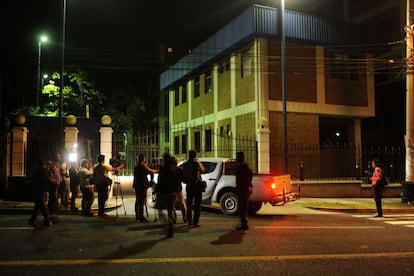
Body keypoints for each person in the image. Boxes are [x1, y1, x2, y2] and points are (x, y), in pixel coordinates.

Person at [156, 153, 183, 237]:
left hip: (163, 192)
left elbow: (159, 180)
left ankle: (167, 223)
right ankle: (170, 222)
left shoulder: (162, 169)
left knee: (160, 209)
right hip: (173, 192)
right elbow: (180, 179)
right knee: (170, 209)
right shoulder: (176, 169)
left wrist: (157, 190)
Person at [182, 150, 205, 227]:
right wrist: (199, 163)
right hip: (196, 185)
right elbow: (203, 170)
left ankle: (190, 221)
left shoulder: (185, 164)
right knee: (197, 205)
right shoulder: (197, 164)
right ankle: (196, 222)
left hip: (189, 185)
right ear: (195, 155)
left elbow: (183, 176)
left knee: (189, 204)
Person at [133, 154, 158, 222]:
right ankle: (141, 216)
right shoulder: (142, 166)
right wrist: (158, 170)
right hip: (142, 185)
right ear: (143, 159)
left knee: (138, 200)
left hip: (137, 185)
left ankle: (137, 216)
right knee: (142, 201)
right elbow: (151, 171)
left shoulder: (136, 167)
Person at [28, 159, 52, 227]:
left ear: (39, 164)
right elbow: (49, 180)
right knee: (37, 206)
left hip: (39, 190)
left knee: (43, 206)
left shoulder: (39, 171)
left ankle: (48, 221)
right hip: (44, 190)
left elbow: (32, 178)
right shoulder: (47, 171)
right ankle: (32, 220)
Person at [235, 151, 253, 230]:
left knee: (242, 207)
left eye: (237, 157)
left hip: (242, 190)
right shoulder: (246, 167)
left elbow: (240, 180)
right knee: (244, 207)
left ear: (240, 157)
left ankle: (244, 224)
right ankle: (244, 223)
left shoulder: (241, 168)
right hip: (245, 189)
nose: (236, 158)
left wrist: (238, 188)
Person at [48, 152, 62, 221]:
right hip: (53, 185)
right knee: (52, 199)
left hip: (57, 184)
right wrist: (53, 182)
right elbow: (50, 175)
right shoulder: (51, 164)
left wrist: (59, 180)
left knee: (54, 200)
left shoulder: (58, 165)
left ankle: (51, 214)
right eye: (58, 156)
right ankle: (49, 214)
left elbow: (58, 174)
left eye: (59, 156)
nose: (59, 158)